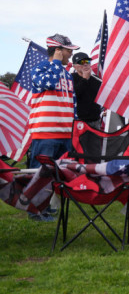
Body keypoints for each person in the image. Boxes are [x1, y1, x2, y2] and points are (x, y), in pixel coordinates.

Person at [27, 34, 79, 221]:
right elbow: (46, 83)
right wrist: (56, 63)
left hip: (65, 132)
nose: (71, 53)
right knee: (40, 172)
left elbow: (72, 103)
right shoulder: (40, 68)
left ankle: (47, 207)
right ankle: (34, 210)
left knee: (57, 173)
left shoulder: (66, 74)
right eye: (68, 50)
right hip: (45, 130)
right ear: (57, 51)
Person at [71, 52, 103, 129]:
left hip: (95, 121)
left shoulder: (97, 79)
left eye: (87, 62)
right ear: (74, 66)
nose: (85, 64)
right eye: (81, 62)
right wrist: (85, 79)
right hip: (78, 121)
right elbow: (74, 94)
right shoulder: (71, 78)